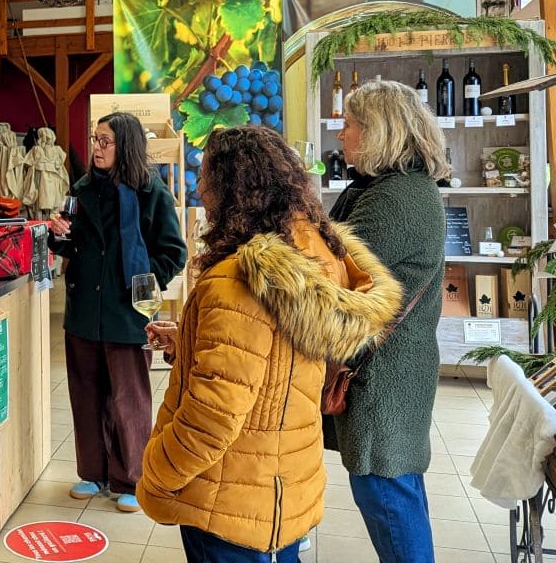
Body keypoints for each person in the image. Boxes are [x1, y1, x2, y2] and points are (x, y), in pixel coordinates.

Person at [138, 125, 402, 563]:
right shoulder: (315, 257)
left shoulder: (235, 280)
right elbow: (272, 363)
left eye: (206, 174)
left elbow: (213, 415)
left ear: (233, 185)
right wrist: (188, 341)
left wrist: (157, 473)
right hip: (283, 491)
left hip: (226, 502)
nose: (200, 187)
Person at [327, 80, 448, 562]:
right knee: (394, 493)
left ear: (378, 131)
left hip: (386, 378)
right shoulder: (393, 187)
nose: (342, 135)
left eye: (350, 124)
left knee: (389, 498)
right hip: (391, 370)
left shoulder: (399, 197)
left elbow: (336, 274)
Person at [47, 112, 187, 513]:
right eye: (94, 139)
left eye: (105, 141)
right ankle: (93, 473)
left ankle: (131, 477)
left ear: (124, 144)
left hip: (128, 314)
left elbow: (174, 253)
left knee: (128, 398)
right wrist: (59, 237)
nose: (96, 147)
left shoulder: (151, 191)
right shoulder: (82, 188)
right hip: (84, 312)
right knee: (86, 395)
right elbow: (70, 244)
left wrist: (144, 280)